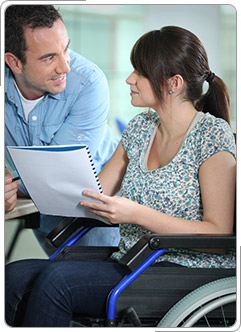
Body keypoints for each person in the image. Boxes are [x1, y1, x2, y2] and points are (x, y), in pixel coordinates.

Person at [5, 26, 236, 327]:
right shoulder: (141, 127)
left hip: (182, 269)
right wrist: (24, 185)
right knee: (11, 278)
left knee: (57, 281)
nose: (130, 79)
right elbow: (95, 191)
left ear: (174, 83)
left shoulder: (210, 135)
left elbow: (219, 235)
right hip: (134, 260)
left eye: (140, 72)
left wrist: (138, 215)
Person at [4, 5, 120, 254]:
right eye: (49, 58)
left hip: (97, 216)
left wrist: (10, 184)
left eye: (65, 49)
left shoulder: (88, 83)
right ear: (14, 62)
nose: (65, 67)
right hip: (44, 218)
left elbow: (57, 176)